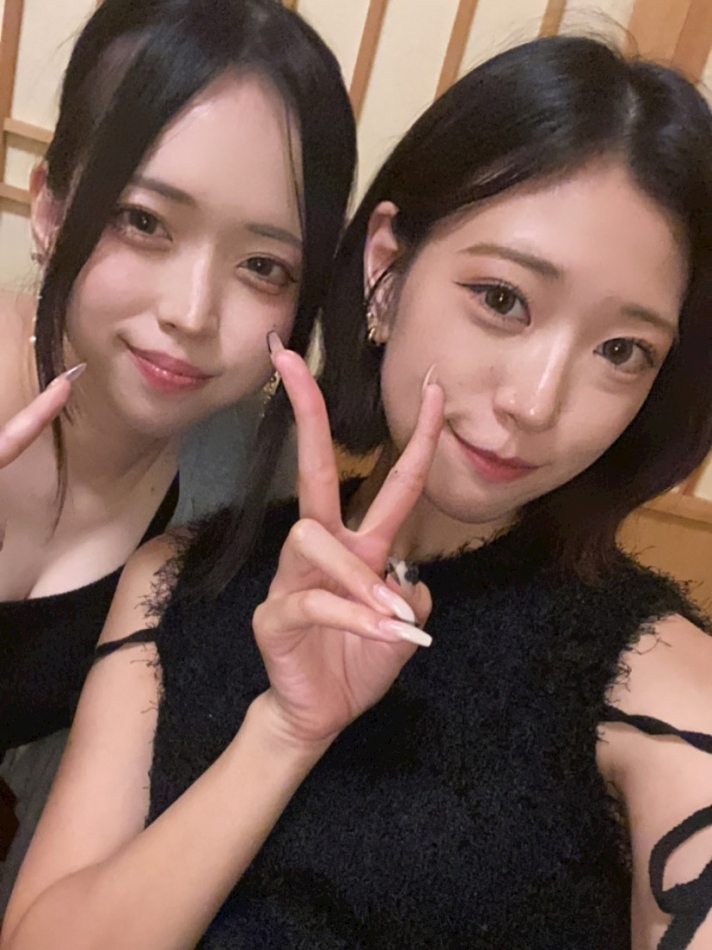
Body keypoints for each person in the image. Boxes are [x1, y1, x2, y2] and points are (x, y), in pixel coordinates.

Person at [4, 34, 712, 950]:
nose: (536, 404)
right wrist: (283, 734)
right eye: (502, 299)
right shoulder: (182, 575)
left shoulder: (662, 686)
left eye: (621, 351)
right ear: (385, 269)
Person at [0, 0, 356, 907]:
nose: (192, 313)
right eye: (144, 220)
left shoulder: (249, 480)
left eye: (264, 267)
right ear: (50, 206)